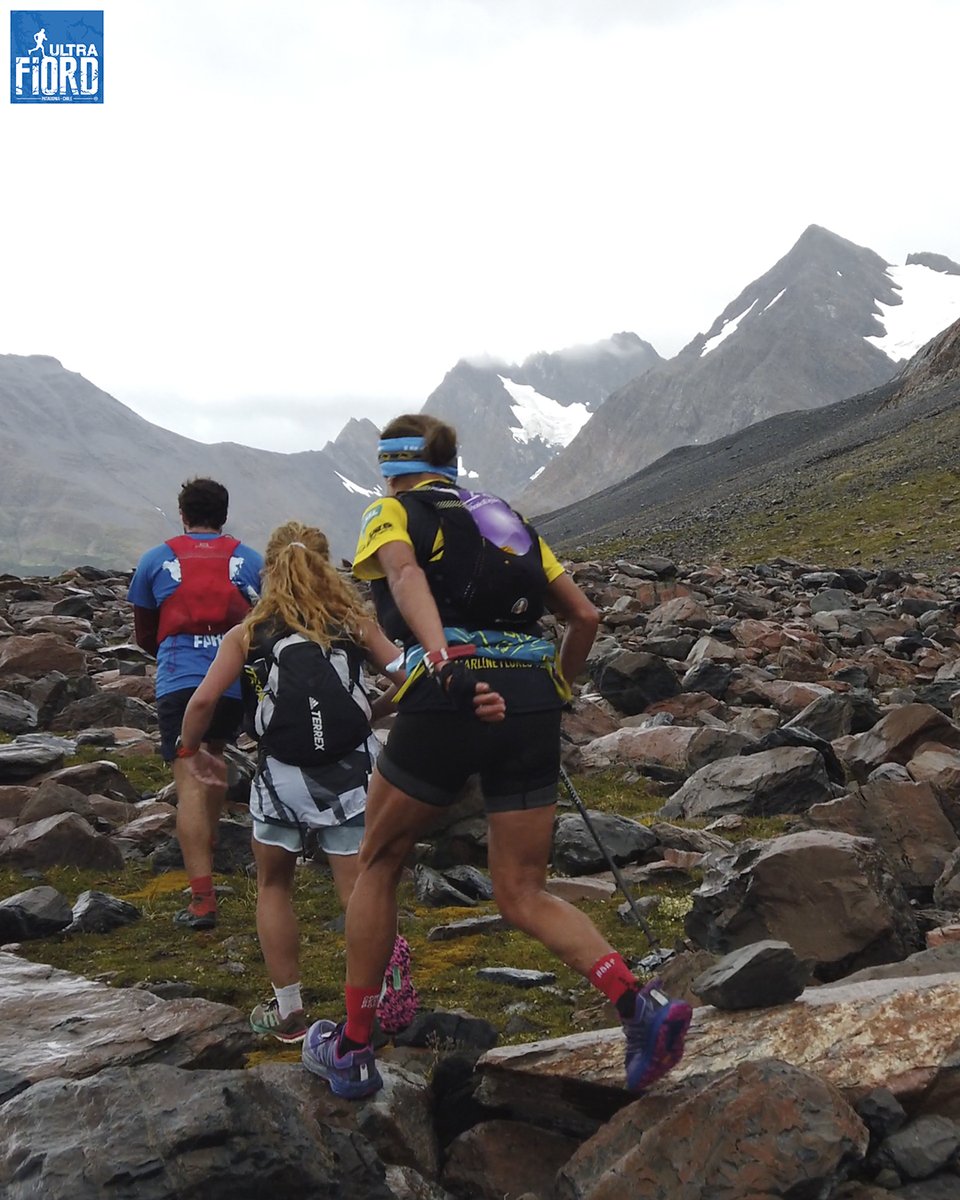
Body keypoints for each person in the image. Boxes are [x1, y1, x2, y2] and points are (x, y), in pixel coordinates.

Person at [302, 414, 692, 1100]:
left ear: (394, 465)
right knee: (522, 890)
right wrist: (559, 688)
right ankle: (639, 1006)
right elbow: (587, 618)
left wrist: (443, 656)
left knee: (379, 861)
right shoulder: (506, 518)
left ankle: (354, 1047)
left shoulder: (391, 511)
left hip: (451, 692)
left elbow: (402, 575)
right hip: (531, 698)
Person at [177, 521, 418, 1042]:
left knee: (274, 885)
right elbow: (410, 680)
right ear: (327, 566)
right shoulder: (353, 621)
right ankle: (374, 1000)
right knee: (360, 886)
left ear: (271, 570)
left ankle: (289, 1011)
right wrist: (370, 713)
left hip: (280, 778)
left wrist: (189, 751)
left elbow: (201, 701)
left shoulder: (247, 632)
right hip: (352, 774)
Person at [128, 477, 263, 930]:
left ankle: (202, 898)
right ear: (223, 514)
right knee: (213, 759)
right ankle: (211, 865)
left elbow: (145, 631)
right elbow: (264, 625)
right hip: (230, 681)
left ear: (183, 514)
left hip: (180, 679)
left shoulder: (156, 558)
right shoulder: (250, 559)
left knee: (188, 777)